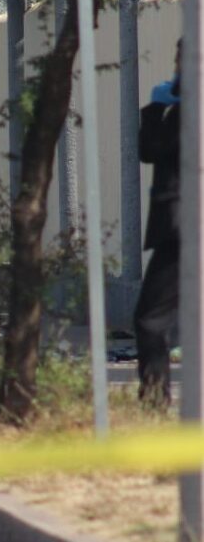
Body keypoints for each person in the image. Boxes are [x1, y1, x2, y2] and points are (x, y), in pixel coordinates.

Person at [135, 39, 182, 407]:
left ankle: (153, 404)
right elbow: (148, 150)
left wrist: (160, 106)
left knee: (152, 319)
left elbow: (157, 147)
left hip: (183, 228)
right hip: (178, 229)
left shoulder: (188, 106)